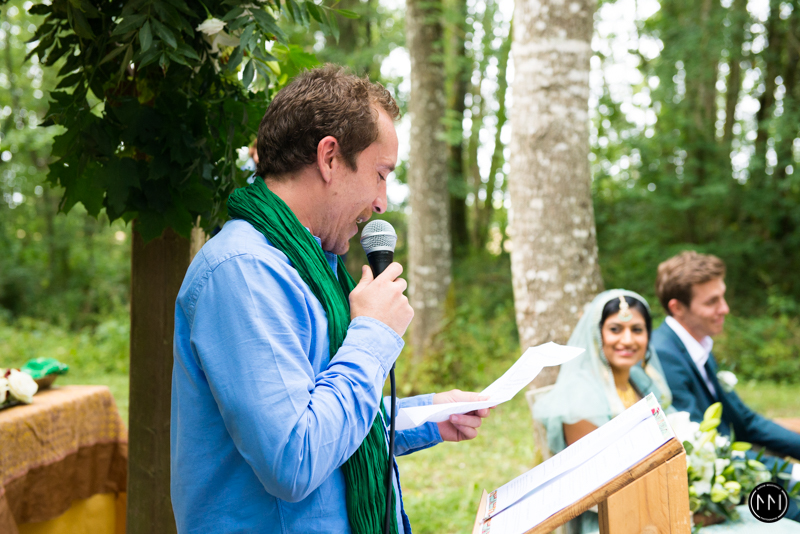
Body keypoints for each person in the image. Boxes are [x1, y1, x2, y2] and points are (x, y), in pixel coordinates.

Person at [171, 65, 491, 534]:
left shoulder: (311, 266)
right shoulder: (243, 272)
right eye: (380, 175)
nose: (382, 203)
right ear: (329, 158)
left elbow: (325, 417)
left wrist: (429, 416)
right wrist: (372, 335)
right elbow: (295, 457)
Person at [652, 250, 800, 521]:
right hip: (711, 488)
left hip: (737, 468)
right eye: (712, 301)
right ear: (677, 308)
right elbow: (702, 446)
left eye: (722, 296)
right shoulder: (664, 356)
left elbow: (746, 420)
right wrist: (792, 472)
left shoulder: (698, 346)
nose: (725, 308)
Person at [534, 289, 673, 534]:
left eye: (637, 330)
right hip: (606, 518)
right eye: (615, 329)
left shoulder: (641, 381)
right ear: (597, 335)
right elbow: (593, 480)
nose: (627, 340)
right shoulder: (580, 395)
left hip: (655, 502)